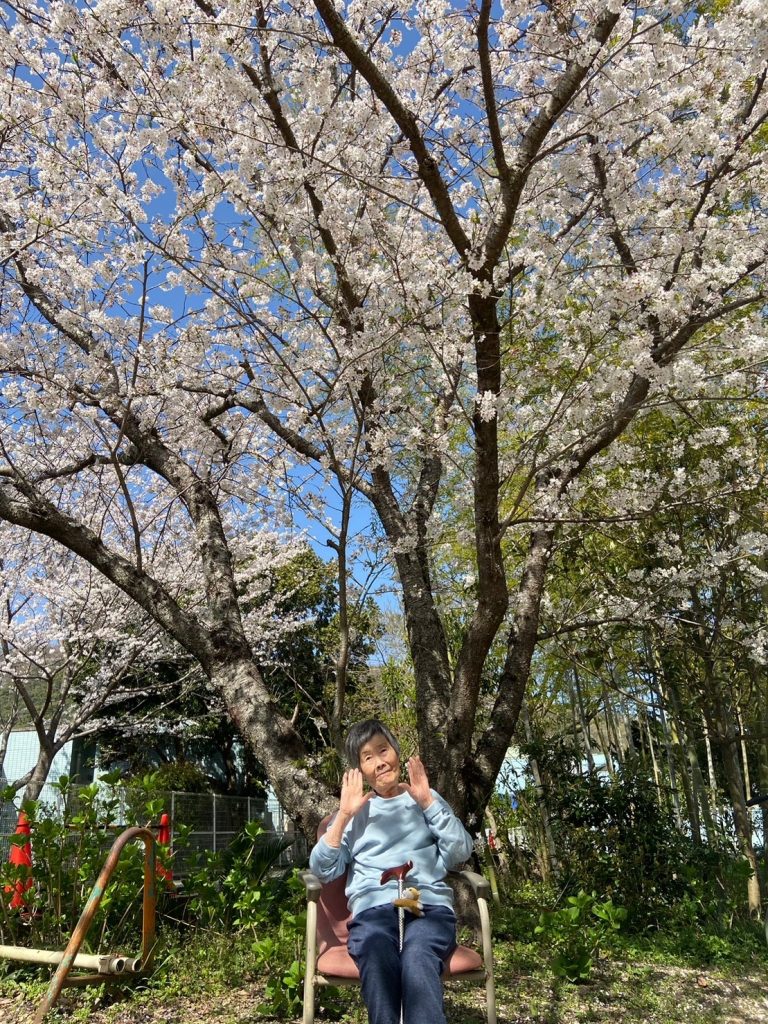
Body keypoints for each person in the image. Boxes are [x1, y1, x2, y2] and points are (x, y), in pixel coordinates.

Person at [309, 719, 473, 1024]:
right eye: (368, 757)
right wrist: (343, 815)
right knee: (376, 951)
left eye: (383, 750)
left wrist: (427, 802)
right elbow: (323, 869)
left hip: (427, 908)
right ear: (360, 770)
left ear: (396, 752)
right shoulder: (354, 813)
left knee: (417, 955)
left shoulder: (425, 798)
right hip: (373, 913)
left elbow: (460, 853)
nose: (380, 762)